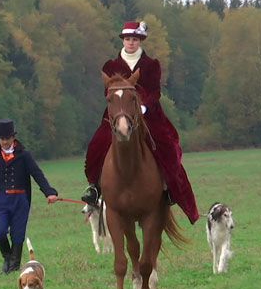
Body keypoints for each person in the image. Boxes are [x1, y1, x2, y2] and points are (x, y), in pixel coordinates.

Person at [81, 20, 199, 224]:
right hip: (117, 113)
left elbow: (154, 91)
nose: (131, 43)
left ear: (140, 41)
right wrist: (120, 109)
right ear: (123, 40)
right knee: (96, 146)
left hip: (148, 113)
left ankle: (171, 188)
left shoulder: (151, 65)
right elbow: (106, 91)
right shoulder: (110, 66)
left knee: (169, 146)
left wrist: (142, 107)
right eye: (127, 39)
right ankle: (94, 187)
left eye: (135, 39)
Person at [0, 119, 59, 274]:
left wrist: (49, 192)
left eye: (8, 138)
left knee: (18, 235)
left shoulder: (24, 155)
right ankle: (8, 258)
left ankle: (13, 268)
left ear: (13, 138)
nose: (5, 142)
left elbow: (36, 173)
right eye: (2, 139)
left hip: (20, 200)